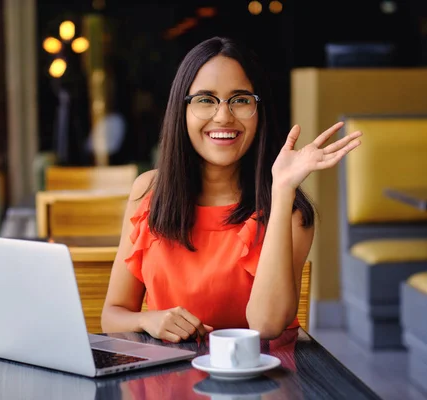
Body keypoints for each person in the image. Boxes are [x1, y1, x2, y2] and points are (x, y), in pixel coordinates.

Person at [101, 37, 361, 342]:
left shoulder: (290, 212)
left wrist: (281, 190)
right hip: (166, 379)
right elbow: (113, 314)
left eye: (240, 99)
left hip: (258, 381)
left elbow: (266, 325)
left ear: (258, 110)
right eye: (205, 99)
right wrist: (149, 320)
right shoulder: (148, 192)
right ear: (181, 110)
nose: (223, 116)